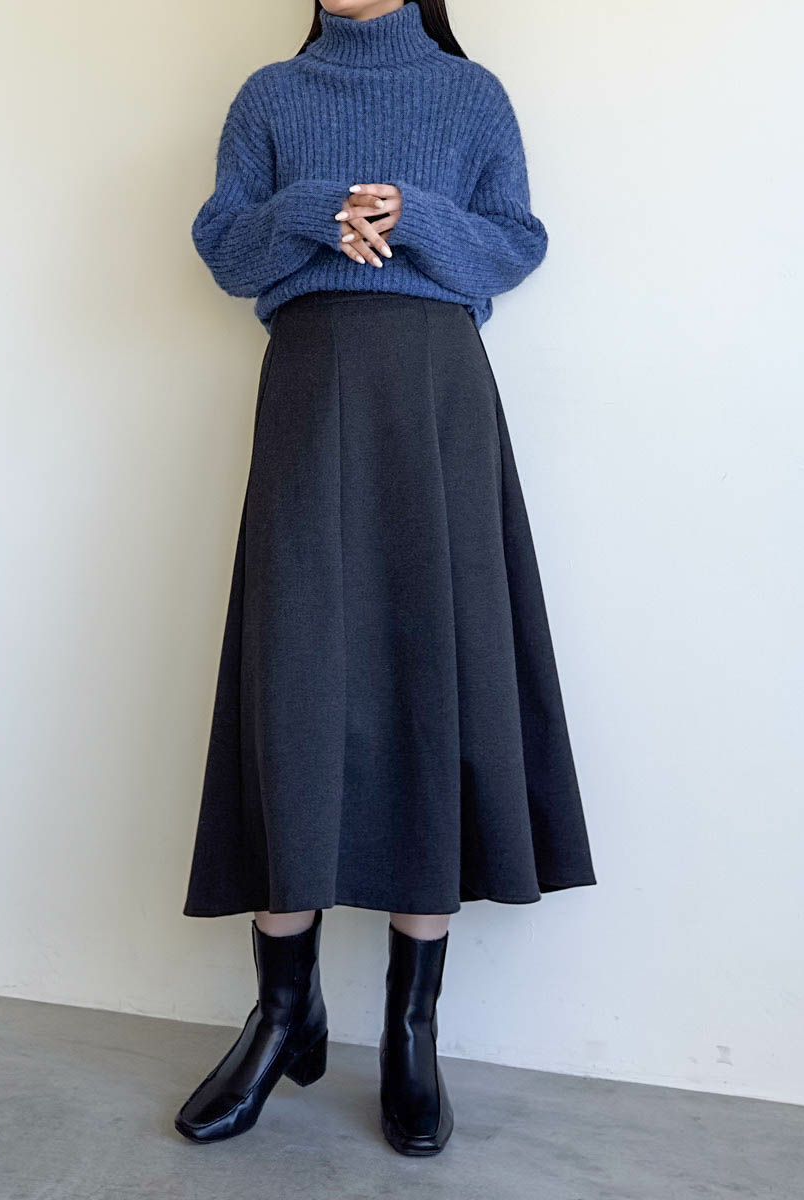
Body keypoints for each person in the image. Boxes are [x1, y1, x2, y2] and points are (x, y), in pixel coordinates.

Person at [175, 0, 596, 1156]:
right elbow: (223, 246)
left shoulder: (470, 95)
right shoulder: (272, 96)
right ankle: (283, 1012)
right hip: (310, 399)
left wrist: (415, 218)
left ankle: (413, 1029)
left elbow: (516, 244)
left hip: (436, 409)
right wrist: (315, 212)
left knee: (431, 680)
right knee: (296, 682)